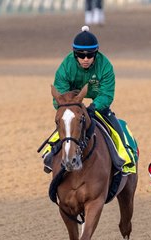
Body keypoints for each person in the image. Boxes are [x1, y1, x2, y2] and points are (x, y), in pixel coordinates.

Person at [44, 25, 132, 173]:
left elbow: (106, 94)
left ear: (96, 54)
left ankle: (124, 158)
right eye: (81, 55)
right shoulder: (66, 67)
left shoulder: (105, 66)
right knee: (65, 124)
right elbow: (58, 97)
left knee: (117, 129)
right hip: (72, 104)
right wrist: (71, 107)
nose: (85, 59)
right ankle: (49, 154)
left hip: (97, 105)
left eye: (90, 56)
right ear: (74, 54)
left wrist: (93, 107)